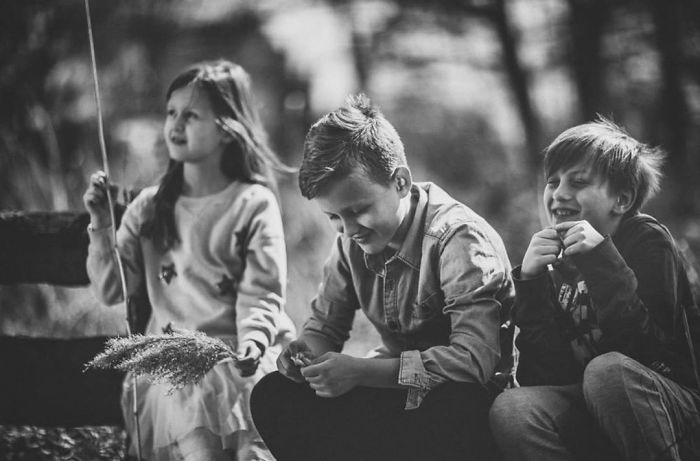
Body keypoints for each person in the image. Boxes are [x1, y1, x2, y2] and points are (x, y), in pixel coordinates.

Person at [250, 94, 515, 461]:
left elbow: (472, 363)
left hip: (466, 409)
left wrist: (362, 372)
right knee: (276, 394)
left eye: (358, 210)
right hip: (397, 399)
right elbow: (325, 327)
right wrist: (305, 356)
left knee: (454, 403)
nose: (348, 230)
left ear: (401, 182)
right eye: (334, 218)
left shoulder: (458, 240)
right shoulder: (351, 242)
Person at [84, 60, 295, 461]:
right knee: (200, 440)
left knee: (253, 448)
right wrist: (100, 225)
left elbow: (263, 288)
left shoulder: (252, 202)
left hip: (242, 354)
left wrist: (253, 340)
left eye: (191, 115)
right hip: (174, 365)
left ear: (227, 129)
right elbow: (111, 289)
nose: (175, 125)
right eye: (171, 112)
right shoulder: (149, 208)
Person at [489, 117, 700, 461]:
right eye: (553, 182)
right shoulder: (555, 264)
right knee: (513, 407)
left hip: (674, 409)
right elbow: (544, 377)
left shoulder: (647, 240)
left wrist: (601, 258)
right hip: (596, 408)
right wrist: (531, 283)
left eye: (578, 182)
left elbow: (651, 352)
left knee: (607, 372)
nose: (559, 193)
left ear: (622, 199)